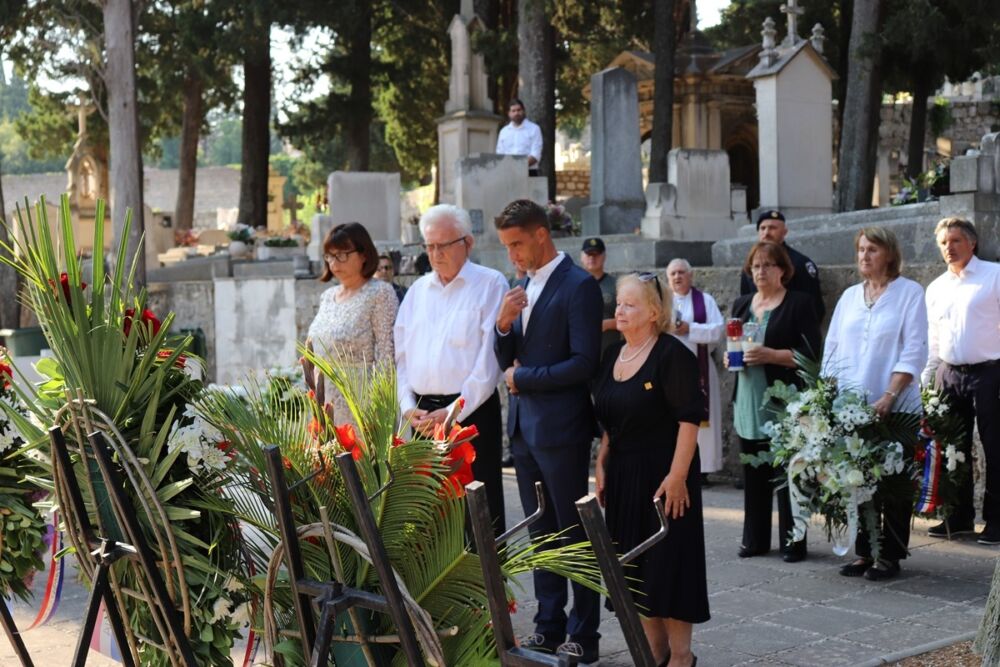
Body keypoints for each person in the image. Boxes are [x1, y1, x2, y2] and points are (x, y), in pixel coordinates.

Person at [494, 199, 603, 664]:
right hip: (523, 430)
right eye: (506, 247)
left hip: (562, 428)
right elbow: (507, 361)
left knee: (574, 532)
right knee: (541, 532)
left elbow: (584, 362)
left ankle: (584, 634)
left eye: (517, 244)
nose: (512, 255)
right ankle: (548, 625)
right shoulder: (520, 287)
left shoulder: (579, 285)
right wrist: (502, 325)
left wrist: (525, 378)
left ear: (542, 234)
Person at [594, 272, 708, 667]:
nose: (620, 310)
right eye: (618, 303)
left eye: (630, 304)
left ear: (654, 312)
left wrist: (677, 477)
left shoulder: (672, 355)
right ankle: (654, 654)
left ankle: (681, 657)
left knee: (669, 566)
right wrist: (602, 462)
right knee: (635, 569)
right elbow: (610, 420)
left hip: (664, 475)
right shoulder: (612, 355)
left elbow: (689, 420)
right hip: (624, 475)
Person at [395, 204, 509, 534]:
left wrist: (452, 412)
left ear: (467, 243)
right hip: (422, 416)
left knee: (478, 514)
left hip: (469, 414)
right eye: (429, 246)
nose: (435, 254)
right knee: (431, 517)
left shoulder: (490, 284)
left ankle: (485, 570)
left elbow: (489, 363)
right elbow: (401, 358)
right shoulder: (417, 292)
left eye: (443, 245)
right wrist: (407, 406)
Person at [823, 227, 927, 580]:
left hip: (896, 407)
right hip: (853, 408)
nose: (864, 256)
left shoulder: (909, 293)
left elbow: (914, 349)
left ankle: (890, 555)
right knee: (859, 479)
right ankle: (865, 551)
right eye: (861, 249)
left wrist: (890, 394)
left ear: (890, 254)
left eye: (873, 249)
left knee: (894, 483)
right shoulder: (850, 296)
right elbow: (832, 347)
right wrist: (827, 396)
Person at [730, 241, 821, 563]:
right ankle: (754, 540)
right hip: (748, 398)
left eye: (768, 265)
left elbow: (811, 354)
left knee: (788, 473)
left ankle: (793, 541)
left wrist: (771, 355)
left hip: (785, 402)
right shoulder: (742, 304)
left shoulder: (799, 303)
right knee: (753, 472)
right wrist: (731, 357)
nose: (760, 271)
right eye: (755, 266)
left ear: (783, 269)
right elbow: (734, 344)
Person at [922, 217, 1000, 545]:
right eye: (943, 243)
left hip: (990, 371)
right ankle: (958, 516)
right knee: (953, 447)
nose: (949, 248)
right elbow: (934, 340)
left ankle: (996, 521)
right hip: (950, 373)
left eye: (955, 241)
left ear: (972, 243)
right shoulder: (937, 287)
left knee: (995, 446)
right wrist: (928, 380)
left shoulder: (994, 276)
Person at [307, 223, 398, 428]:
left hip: (362, 405)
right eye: (330, 256)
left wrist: (379, 410)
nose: (334, 262)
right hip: (323, 401)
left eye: (342, 255)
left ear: (364, 254)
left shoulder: (380, 293)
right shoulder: (328, 296)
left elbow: (386, 354)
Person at [666, 258, 725, 483]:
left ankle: (703, 469)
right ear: (667, 278)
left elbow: (718, 331)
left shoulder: (705, 300)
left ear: (691, 275)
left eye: (682, 272)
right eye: (673, 274)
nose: (677, 277)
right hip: (668, 371)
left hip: (700, 369)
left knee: (700, 419)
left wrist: (690, 329)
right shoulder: (663, 302)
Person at [740, 210, 825, 320]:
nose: (766, 233)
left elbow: (814, 307)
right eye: (762, 228)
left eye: (772, 228)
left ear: (784, 232)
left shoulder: (799, 263)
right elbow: (746, 302)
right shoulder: (750, 263)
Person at [580, 237, 619, 359]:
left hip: (609, 351)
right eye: (588, 254)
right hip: (581, 353)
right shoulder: (573, 285)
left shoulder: (616, 285)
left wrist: (607, 324)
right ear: (581, 256)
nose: (592, 258)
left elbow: (631, 319)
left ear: (604, 256)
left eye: (596, 254)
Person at [496, 98, 543, 176]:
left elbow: (535, 155)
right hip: (508, 173)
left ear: (523, 111)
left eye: (519, 110)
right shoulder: (503, 132)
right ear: (509, 113)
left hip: (529, 172)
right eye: (513, 111)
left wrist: (518, 167)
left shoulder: (534, 129)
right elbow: (500, 154)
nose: (516, 113)